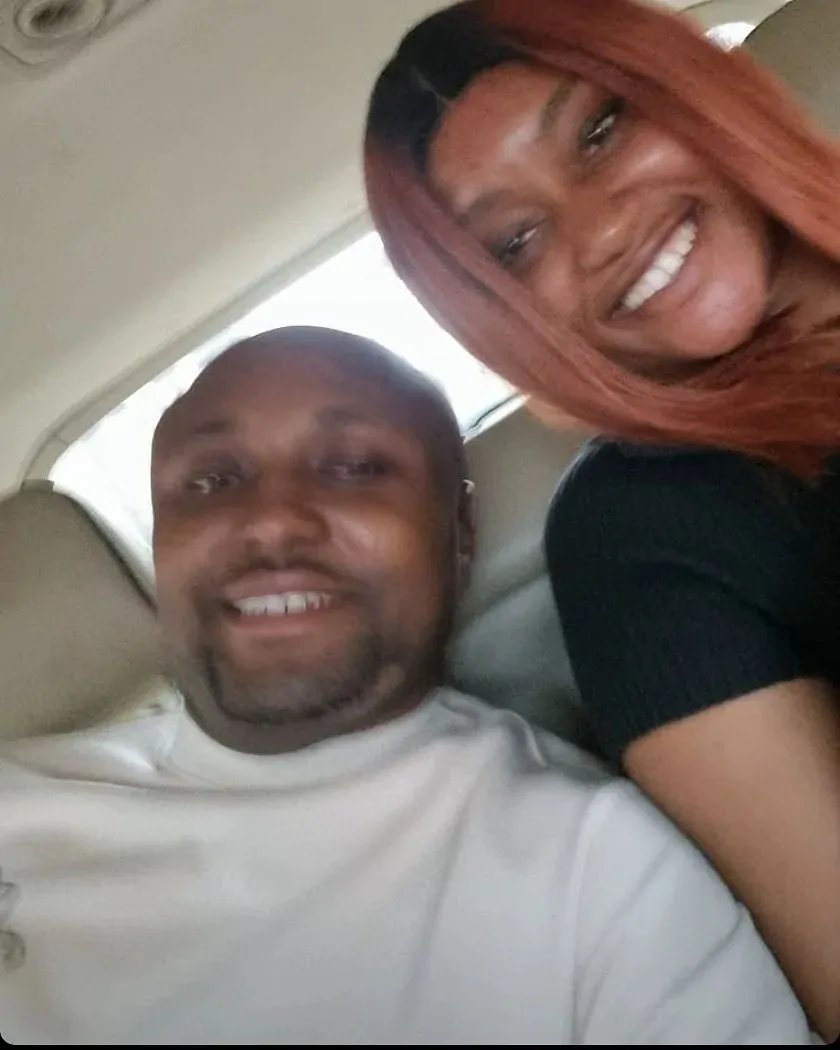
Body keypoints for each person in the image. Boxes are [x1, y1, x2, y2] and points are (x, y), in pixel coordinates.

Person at [0, 327, 812, 1044]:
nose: (271, 522)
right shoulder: (20, 800)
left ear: (459, 534)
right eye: (211, 480)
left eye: (356, 467)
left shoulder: (599, 873)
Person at [363, 0, 840, 1039]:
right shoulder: (642, 530)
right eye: (516, 242)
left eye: (601, 130)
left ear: (694, 85)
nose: (605, 229)